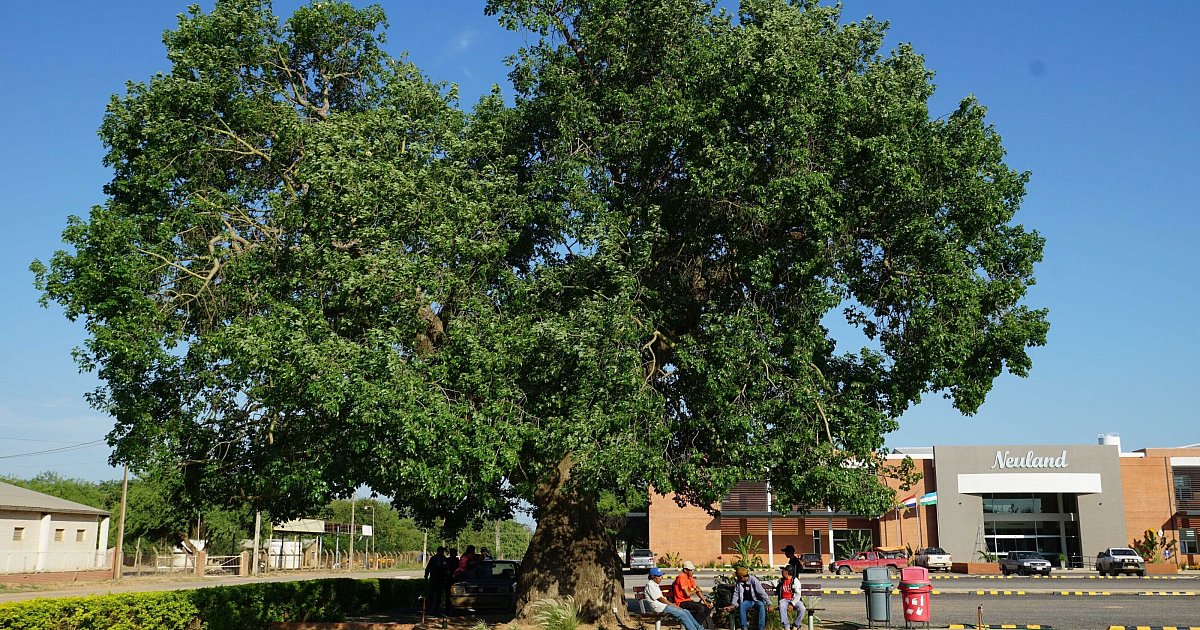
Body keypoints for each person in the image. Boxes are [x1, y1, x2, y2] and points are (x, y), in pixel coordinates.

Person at [670, 560, 712, 627]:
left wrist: (705, 602)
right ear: (685, 570)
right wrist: (696, 590)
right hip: (681, 602)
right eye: (691, 570)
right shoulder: (681, 577)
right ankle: (694, 626)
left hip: (688, 601)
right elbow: (688, 594)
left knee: (707, 608)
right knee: (701, 608)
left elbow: (697, 590)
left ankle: (696, 625)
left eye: (693, 570)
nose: (692, 572)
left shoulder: (690, 577)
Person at [776, 565, 806, 630]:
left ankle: (795, 626)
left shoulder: (795, 581)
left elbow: (798, 594)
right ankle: (786, 627)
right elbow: (771, 583)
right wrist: (759, 582)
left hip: (795, 600)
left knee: (802, 608)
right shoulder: (780, 581)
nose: (782, 571)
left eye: (783, 570)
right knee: (781, 606)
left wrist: (792, 603)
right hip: (784, 600)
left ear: (786, 572)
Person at [423, 546, 449, 616]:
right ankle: (430, 609)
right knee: (431, 595)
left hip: (441, 580)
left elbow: (446, 569)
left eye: (443, 551)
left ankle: (436, 609)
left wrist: (446, 578)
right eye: (441, 551)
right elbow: (428, 568)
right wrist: (426, 576)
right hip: (434, 580)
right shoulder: (433, 559)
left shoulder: (444, 559)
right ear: (438, 551)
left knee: (439, 596)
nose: (443, 552)